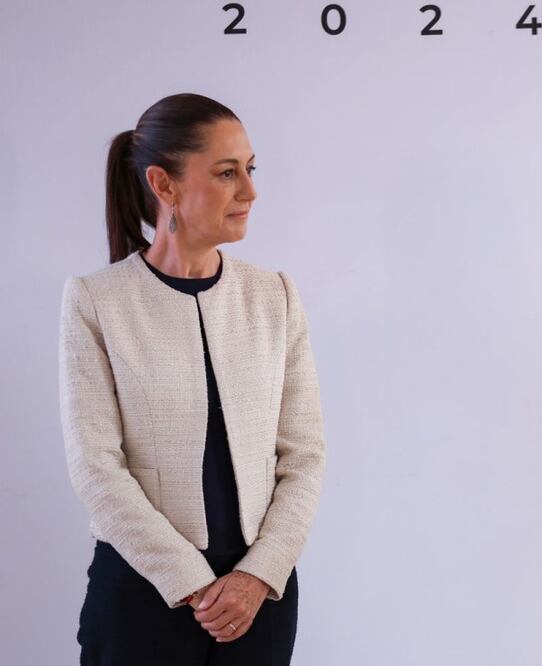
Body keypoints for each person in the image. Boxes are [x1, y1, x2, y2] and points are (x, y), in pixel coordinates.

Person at [59, 93, 326, 665]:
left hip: (260, 601)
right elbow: (96, 468)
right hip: (142, 597)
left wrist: (258, 574)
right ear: (165, 184)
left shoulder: (274, 295)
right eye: (227, 173)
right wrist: (191, 583)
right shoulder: (96, 301)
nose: (250, 192)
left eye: (250, 170)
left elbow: (303, 455)